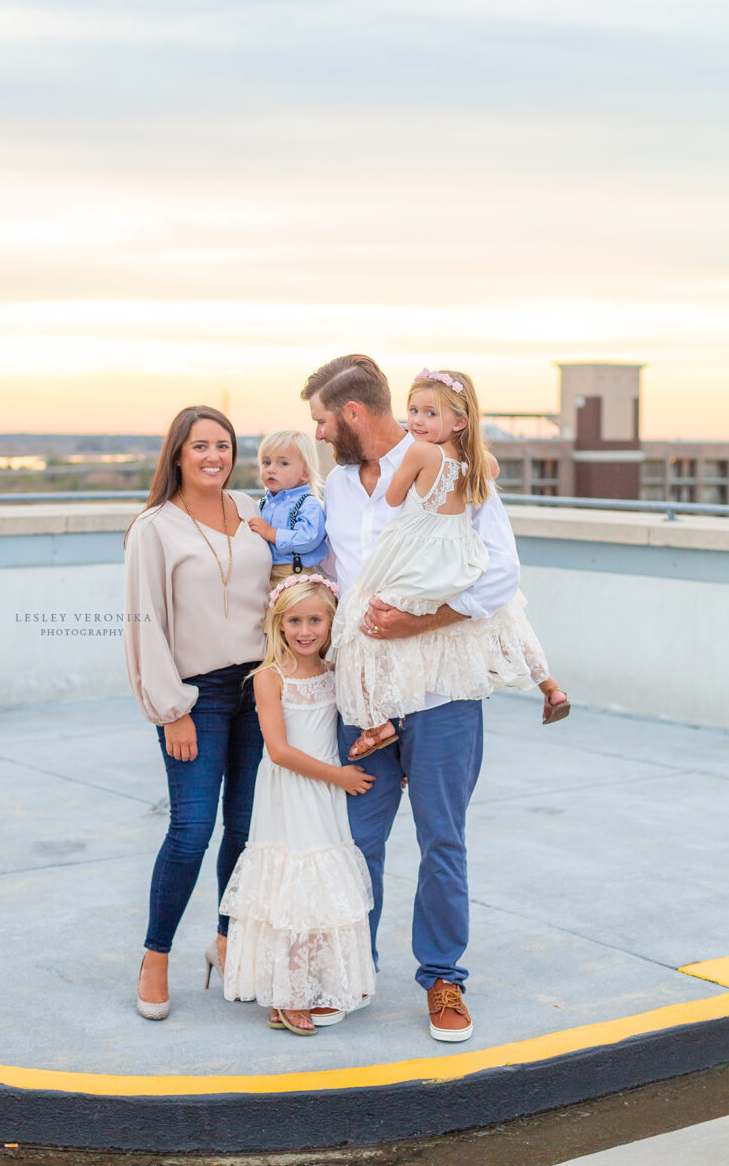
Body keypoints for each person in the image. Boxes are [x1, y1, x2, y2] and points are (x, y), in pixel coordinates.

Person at [301, 353, 521, 1043]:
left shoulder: (456, 466)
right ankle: (349, 976)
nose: (315, 434)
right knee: (356, 843)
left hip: (440, 689)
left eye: (321, 420)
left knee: (441, 841)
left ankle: (444, 979)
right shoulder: (335, 485)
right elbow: (331, 574)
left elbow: (500, 576)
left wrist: (418, 620)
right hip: (363, 694)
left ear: (354, 415)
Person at [332, 367, 569, 761]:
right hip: (458, 555)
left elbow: (392, 499)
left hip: (420, 554)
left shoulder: (420, 452)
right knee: (507, 612)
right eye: (413, 410)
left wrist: (408, 481)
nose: (417, 421)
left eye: (429, 413)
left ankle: (377, 721)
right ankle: (549, 684)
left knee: (361, 620)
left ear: (459, 421)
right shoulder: (484, 464)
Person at [123, 405, 272, 1020]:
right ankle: (155, 956)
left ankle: (227, 939)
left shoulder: (256, 513)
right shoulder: (154, 528)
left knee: (244, 828)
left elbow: (285, 591)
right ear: (178, 454)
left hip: (261, 689)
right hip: (196, 696)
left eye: (224, 445)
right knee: (191, 829)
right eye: (200, 445)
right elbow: (144, 624)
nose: (214, 456)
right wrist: (171, 709)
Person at [221, 574, 376, 1036]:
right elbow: (280, 751)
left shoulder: (334, 673)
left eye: (315, 620)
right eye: (294, 621)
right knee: (292, 885)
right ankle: (288, 994)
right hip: (292, 791)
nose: (305, 630)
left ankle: (299, 987)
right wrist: (341, 777)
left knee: (319, 889)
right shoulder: (269, 677)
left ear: (331, 622)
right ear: (279, 624)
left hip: (325, 795)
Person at [247, 430, 328, 587]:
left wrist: (272, 533)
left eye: (283, 463)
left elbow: (308, 538)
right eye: (266, 462)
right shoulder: (261, 504)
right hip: (264, 573)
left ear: (305, 473)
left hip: (295, 575)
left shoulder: (308, 504)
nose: (271, 469)